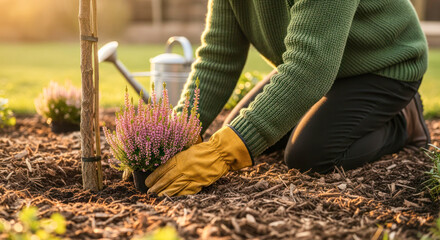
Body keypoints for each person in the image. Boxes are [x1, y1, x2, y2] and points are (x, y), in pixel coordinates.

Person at [145, 0, 430, 196]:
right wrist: (175, 135)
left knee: (308, 154)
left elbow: (310, 66)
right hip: (321, 65)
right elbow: (219, 57)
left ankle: (403, 121)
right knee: (240, 132)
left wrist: (222, 152)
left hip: (384, 65)